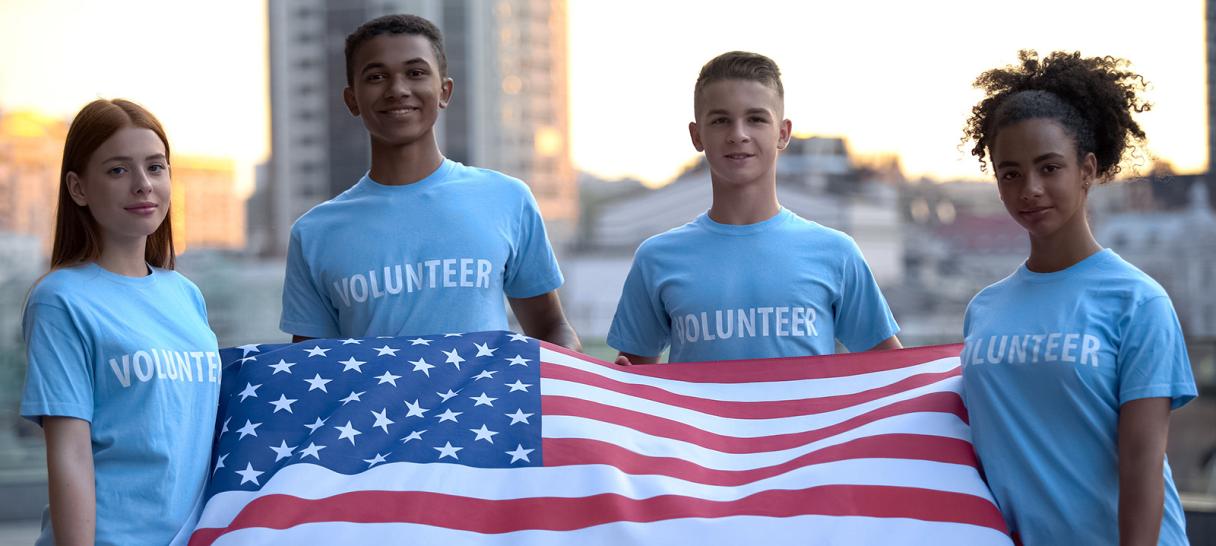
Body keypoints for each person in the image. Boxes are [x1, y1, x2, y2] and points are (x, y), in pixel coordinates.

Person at [959, 50, 1197, 545]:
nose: (1031, 189)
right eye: (1011, 173)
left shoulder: (1137, 301)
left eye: (1049, 168)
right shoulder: (983, 310)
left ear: (1087, 169)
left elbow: (1142, 465)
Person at [280, 14, 579, 349]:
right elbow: (307, 371)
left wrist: (592, 380)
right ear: (352, 100)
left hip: (491, 403)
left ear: (444, 91)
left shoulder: (507, 198)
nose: (397, 90)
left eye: (416, 73)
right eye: (377, 76)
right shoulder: (315, 232)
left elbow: (552, 328)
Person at [607, 51, 900, 364]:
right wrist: (624, 380)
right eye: (721, 121)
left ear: (783, 133)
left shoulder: (837, 253)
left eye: (756, 119)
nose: (738, 135)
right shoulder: (657, 258)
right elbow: (635, 389)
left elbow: (896, 375)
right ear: (697, 136)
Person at [20, 99, 222, 546]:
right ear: (78, 188)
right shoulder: (61, 300)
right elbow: (69, 454)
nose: (143, 185)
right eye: (117, 170)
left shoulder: (185, 295)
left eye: (155, 167)